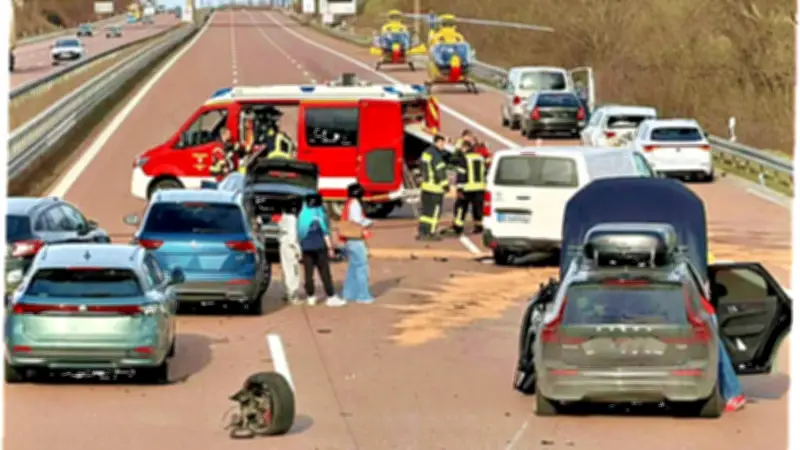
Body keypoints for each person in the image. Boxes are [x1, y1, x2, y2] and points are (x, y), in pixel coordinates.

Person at [297, 193, 344, 307]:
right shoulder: (320, 215)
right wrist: (330, 248)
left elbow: (300, 234)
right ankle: (331, 296)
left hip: (306, 248)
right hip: (320, 247)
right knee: (325, 273)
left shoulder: (302, 216)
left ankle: (311, 297)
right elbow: (325, 233)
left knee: (308, 273)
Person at [340, 183, 375, 304]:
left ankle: (349, 293)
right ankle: (363, 296)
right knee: (361, 266)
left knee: (353, 267)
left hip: (349, 239)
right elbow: (358, 220)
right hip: (355, 239)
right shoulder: (355, 204)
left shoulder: (348, 202)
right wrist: (370, 222)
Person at [450, 138, 486, 235]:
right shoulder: (480, 157)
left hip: (467, 188)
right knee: (477, 208)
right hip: (480, 188)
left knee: (461, 207)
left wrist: (459, 189)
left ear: (465, 147)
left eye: (462, 148)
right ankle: (478, 226)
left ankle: (458, 227)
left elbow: (462, 174)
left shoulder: (465, 158)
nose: (461, 150)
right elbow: (484, 172)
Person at [417, 135, 450, 241]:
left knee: (425, 212)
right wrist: (446, 186)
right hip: (435, 188)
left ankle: (422, 231)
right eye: (443, 143)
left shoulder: (426, 153)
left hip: (425, 187)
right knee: (435, 212)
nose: (444, 146)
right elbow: (440, 172)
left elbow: (421, 167)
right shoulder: (436, 156)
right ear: (438, 142)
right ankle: (431, 233)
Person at [277, 198, 302, 305]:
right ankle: (293, 294)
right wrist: (297, 250)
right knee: (294, 270)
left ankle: (287, 292)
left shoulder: (283, 217)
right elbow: (292, 237)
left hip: (283, 244)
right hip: (290, 246)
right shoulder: (292, 218)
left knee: (286, 269)